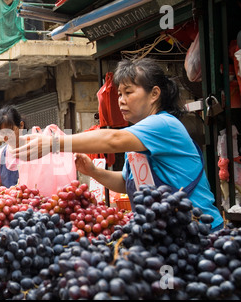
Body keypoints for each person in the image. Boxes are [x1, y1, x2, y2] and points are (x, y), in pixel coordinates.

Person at [12, 58, 224, 232]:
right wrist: (93, 171)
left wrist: (54, 144)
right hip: (169, 233)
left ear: (154, 94)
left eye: (128, 92)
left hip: (201, 230)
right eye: (119, 94)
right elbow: (126, 183)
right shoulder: (139, 136)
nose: (121, 100)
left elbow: (113, 139)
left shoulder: (163, 124)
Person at [0, 105, 25, 188]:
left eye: (10, 131)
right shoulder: (1, 154)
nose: (6, 137)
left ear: (21, 126)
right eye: (2, 133)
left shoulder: (35, 149)